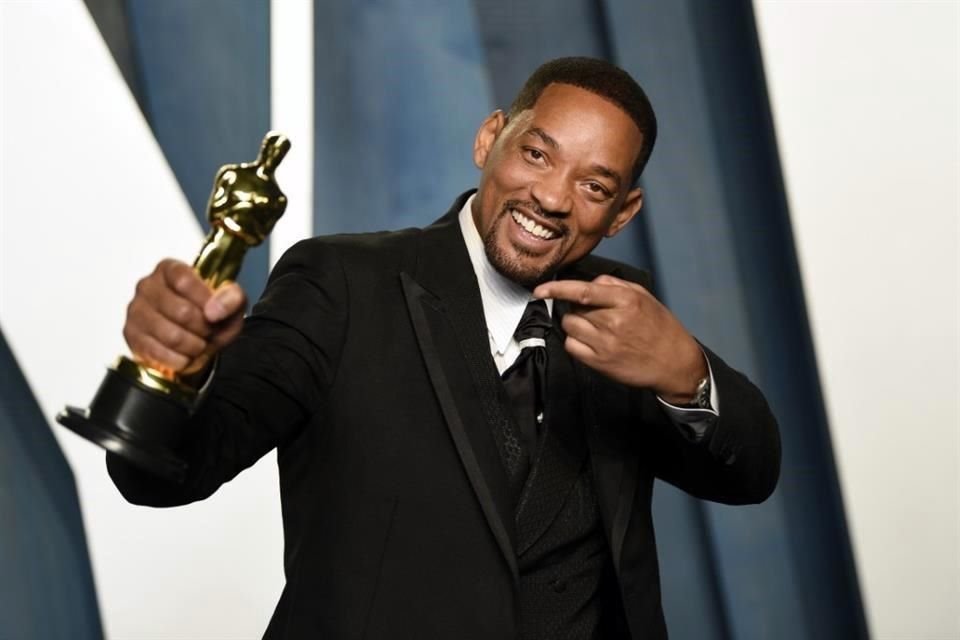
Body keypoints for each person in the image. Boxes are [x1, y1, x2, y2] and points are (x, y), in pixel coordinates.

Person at [109, 57, 780, 639]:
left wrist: (686, 372)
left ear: (622, 213)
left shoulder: (622, 312)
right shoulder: (342, 284)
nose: (550, 197)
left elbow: (750, 475)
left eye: (593, 185)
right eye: (537, 154)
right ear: (490, 139)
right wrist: (170, 374)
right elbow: (168, 474)